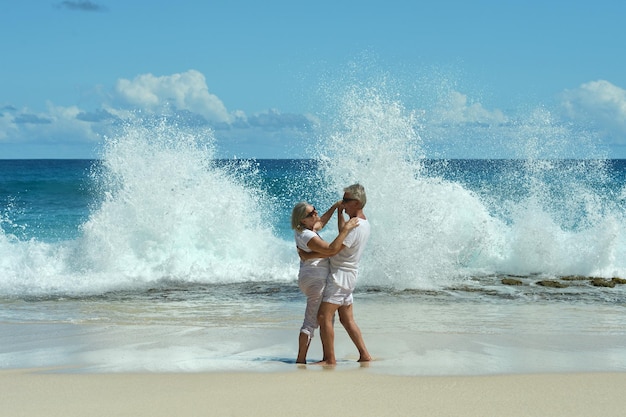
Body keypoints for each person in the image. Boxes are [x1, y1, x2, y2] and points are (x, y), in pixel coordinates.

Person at [308, 184, 372, 365]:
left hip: (340, 276)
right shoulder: (362, 222)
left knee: (323, 316)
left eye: (346, 200)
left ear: (357, 203)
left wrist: (308, 254)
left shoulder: (356, 227)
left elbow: (333, 250)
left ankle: (329, 359)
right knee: (346, 319)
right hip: (348, 275)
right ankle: (364, 355)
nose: (342, 202)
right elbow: (343, 233)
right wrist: (339, 213)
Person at [291, 200, 360, 364]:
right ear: (303, 219)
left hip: (311, 276)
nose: (316, 214)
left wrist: (335, 207)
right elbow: (330, 250)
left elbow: (320, 222)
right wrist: (346, 229)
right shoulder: (307, 235)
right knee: (311, 321)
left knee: (325, 318)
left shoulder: (306, 228)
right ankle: (300, 361)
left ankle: (327, 357)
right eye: (311, 214)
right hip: (316, 279)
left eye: (314, 210)